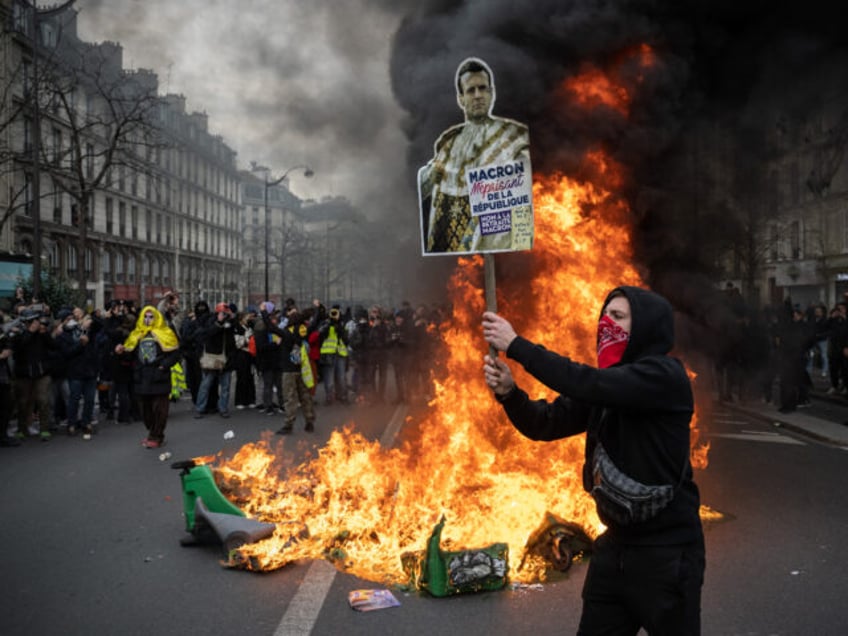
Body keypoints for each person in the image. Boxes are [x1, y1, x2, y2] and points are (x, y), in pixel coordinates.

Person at [481, 286, 704, 635]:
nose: (606, 325)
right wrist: (510, 394)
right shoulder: (604, 388)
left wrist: (516, 345)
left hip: (667, 554)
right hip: (614, 550)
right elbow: (544, 423)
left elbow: (588, 382)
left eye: (618, 317)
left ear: (645, 327)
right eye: (604, 316)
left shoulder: (664, 376)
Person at [418, 57, 530, 254]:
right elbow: (427, 185)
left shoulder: (515, 137)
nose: (478, 95)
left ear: (491, 93)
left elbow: (523, 192)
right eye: (471, 90)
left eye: (483, 88)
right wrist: (429, 176)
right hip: (452, 247)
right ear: (461, 98)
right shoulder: (447, 142)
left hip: (496, 240)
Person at [115, 306, 181, 449]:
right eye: (145, 316)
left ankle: (157, 436)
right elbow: (130, 354)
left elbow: (175, 354)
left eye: (151, 317)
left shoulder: (166, 333)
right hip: (142, 377)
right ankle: (152, 433)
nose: (148, 319)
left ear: (156, 317)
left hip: (159, 377)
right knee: (145, 410)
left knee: (160, 410)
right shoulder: (136, 334)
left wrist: (163, 366)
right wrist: (122, 351)